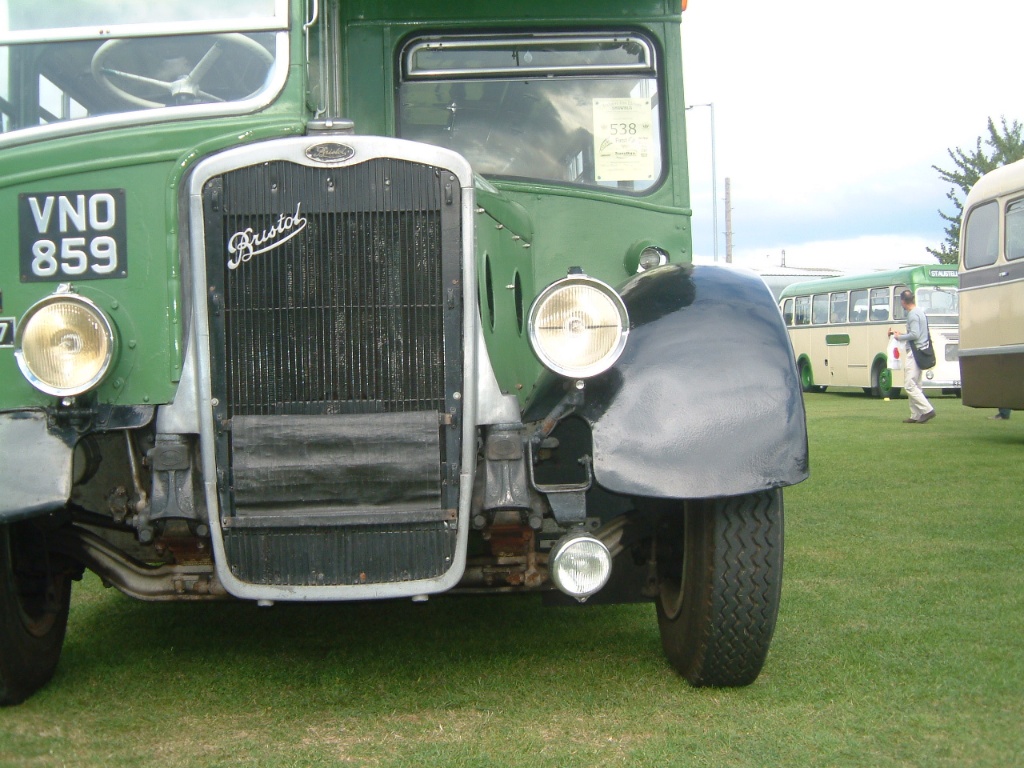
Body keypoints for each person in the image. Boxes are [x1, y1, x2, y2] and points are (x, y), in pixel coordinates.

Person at [888, 289, 935, 424]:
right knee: (916, 384)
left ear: (903, 301)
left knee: (909, 385)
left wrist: (899, 337)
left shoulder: (912, 315)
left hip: (915, 352)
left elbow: (914, 335)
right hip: (922, 350)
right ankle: (916, 414)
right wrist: (900, 334)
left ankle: (927, 410)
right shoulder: (920, 312)